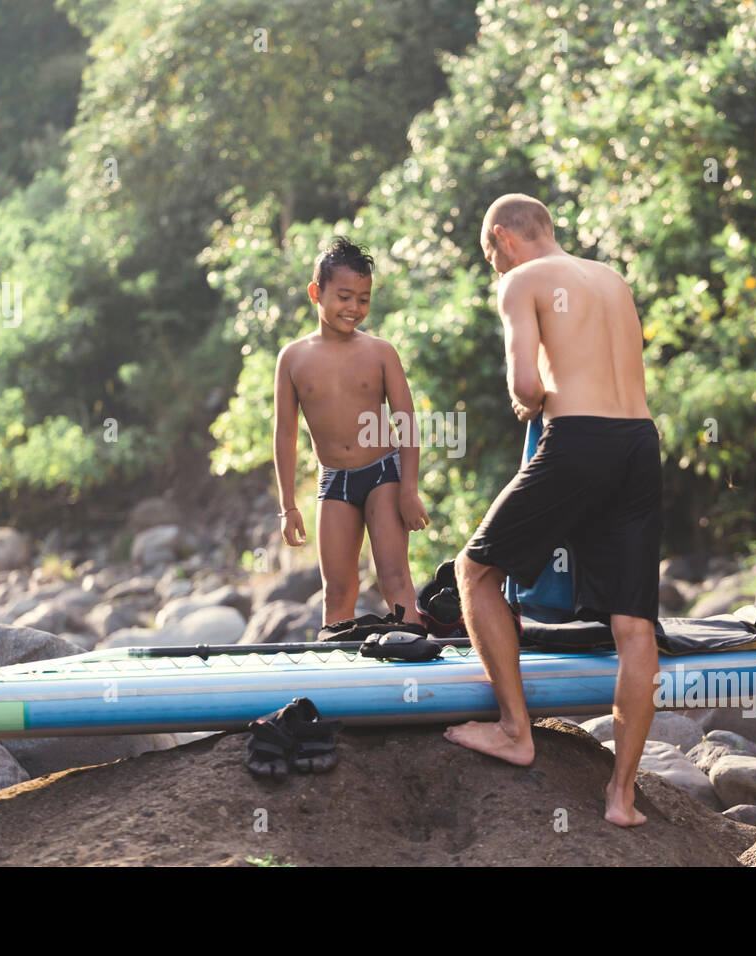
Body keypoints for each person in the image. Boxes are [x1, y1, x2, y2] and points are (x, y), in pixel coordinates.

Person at [446, 194, 662, 828]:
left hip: (580, 441)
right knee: (634, 628)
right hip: (638, 444)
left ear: (505, 238)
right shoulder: (612, 279)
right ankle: (622, 798)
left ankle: (516, 731)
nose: (493, 266)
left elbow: (526, 387)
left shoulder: (521, 281)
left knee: (474, 572)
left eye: (489, 254)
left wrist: (530, 398)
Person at [273, 237, 430, 626]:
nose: (354, 308)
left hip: (383, 474)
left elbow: (406, 423)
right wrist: (288, 505)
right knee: (338, 590)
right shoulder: (293, 358)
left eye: (363, 298)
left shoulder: (380, 352)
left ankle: (413, 652)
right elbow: (285, 435)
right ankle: (338, 675)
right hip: (335, 481)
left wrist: (409, 490)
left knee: (394, 578)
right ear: (316, 293)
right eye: (344, 297)